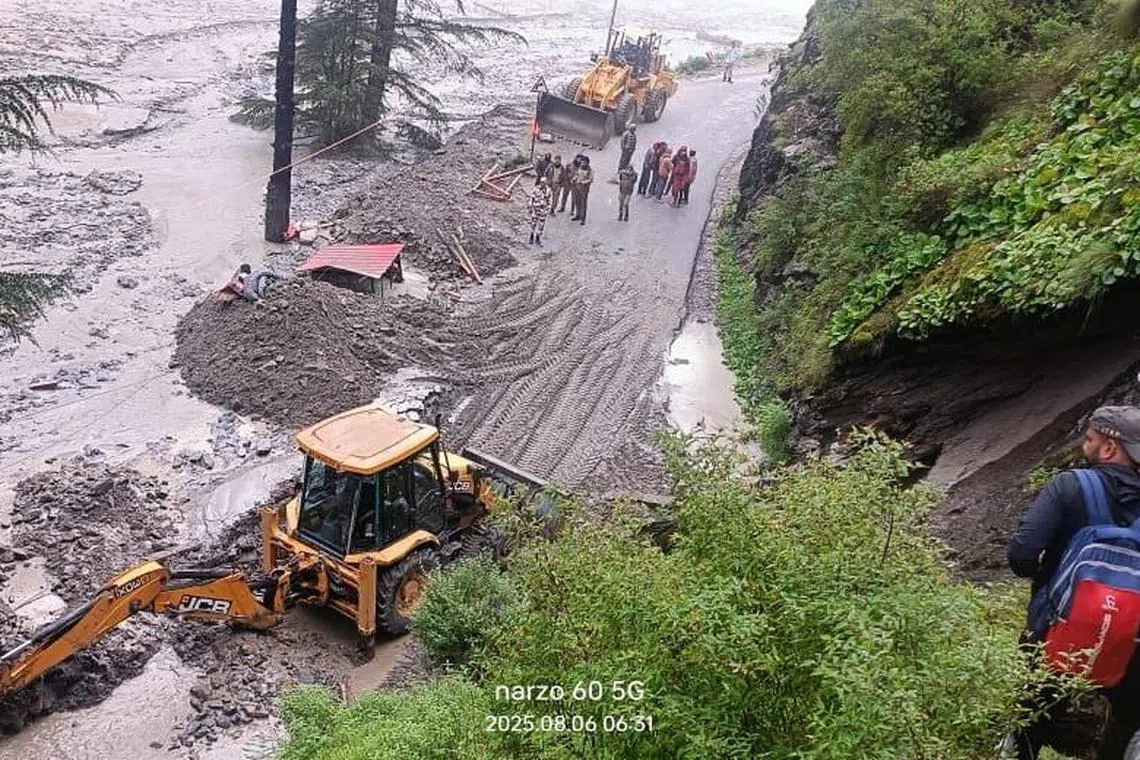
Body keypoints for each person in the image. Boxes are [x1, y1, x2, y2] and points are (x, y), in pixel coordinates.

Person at [1006, 406, 1140, 760]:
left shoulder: (1069, 486)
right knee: (1126, 728)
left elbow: (1021, 556)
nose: (1087, 442)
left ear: (1110, 448)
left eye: (1091, 437)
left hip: (1055, 634)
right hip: (1131, 642)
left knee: (1028, 723)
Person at [527, 176, 553, 245]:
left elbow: (549, 201)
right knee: (533, 223)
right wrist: (530, 206)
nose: (542, 184)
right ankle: (531, 236)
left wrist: (548, 209)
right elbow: (531, 198)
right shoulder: (535, 189)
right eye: (541, 182)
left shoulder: (548, 191)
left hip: (543, 211)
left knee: (541, 225)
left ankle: (538, 237)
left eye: (544, 182)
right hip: (535, 209)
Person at [571, 155, 594, 224]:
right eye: (582, 162)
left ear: (587, 163)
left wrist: (583, 182)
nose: (583, 163)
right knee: (577, 201)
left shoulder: (590, 170)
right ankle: (578, 215)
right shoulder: (580, 168)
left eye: (584, 162)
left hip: (584, 188)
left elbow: (590, 179)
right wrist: (574, 179)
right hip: (577, 186)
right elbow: (577, 175)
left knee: (583, 202)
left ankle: (583, 218)